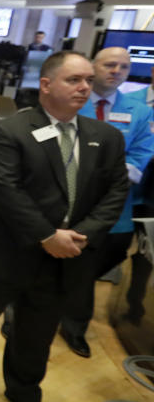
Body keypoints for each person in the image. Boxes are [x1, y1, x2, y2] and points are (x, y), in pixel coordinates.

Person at [0, 51, 129, 402]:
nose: (85, 87)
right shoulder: (12, 130)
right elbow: (6, 189)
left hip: (65, 258)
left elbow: (115, 192)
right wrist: (45, 235)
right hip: (3, 254)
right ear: (46, 85)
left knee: (36, 334)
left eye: (88, 79)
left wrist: (77, 238)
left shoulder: (104, 138)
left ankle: (24, 392)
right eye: (74, 80)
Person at [57, 46, 154, 357]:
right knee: (51, 263)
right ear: (93, 67)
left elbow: (142, 152)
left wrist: (113, 173)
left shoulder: (140, 111)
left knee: (93, 266)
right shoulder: (72, 103)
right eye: (109, 64)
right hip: (68, 202)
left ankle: (71, 320)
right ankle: (67, 323)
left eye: (123, 67)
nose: (116, 71)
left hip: (116, 209)